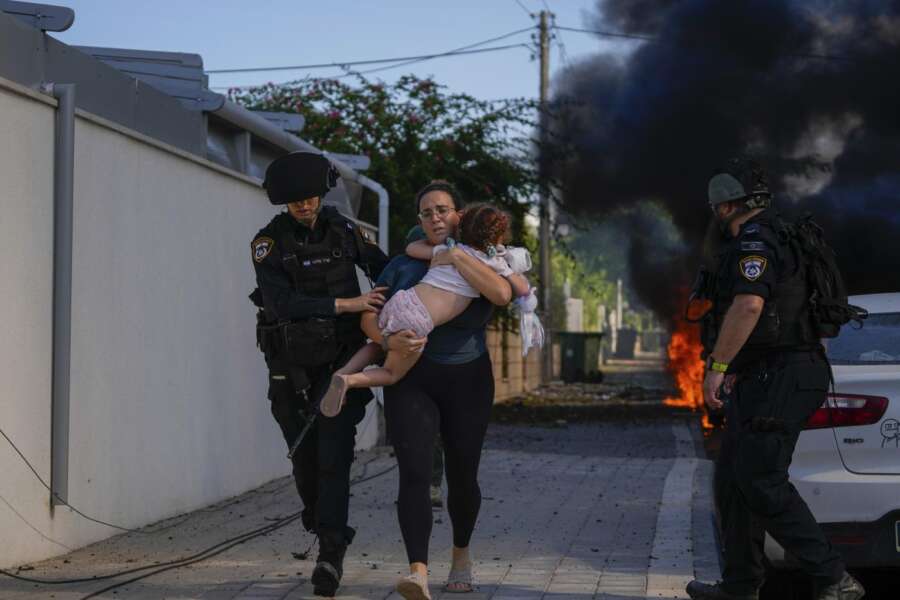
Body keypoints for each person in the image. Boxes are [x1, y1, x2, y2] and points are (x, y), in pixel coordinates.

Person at [685, 158, 865, 600]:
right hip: (768, 373)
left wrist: (718, 367)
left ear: (725, 207)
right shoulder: (783, 235)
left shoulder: (755, 241)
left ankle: (833, 578)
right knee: (733, 480)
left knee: (761, 479)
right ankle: (740, 586)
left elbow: (749, 306)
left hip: (781, 375)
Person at [359, 181, 513, 600]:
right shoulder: (402, 265)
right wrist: (388, 342)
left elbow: (504, 294)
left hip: (469, 379)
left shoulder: (482, 259)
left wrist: (459, 256)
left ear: (459, 214)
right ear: (419, 220)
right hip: (413, 378)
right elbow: (369, 318)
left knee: (463, 476)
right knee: (414, 474)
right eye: (426, 213)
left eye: (442, 210)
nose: (435, 218)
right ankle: (418, 571)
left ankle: (461, 556)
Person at [249, 152, 389, 597]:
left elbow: (385, 269)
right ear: (283, 204)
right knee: (305, 460)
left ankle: (330, 556)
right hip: (290, 369)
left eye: (309, 198)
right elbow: (281, 305)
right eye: (295, 202)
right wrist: (348, 304)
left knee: (334, 460)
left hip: (340, 366)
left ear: (320, 194)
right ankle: (320, 517)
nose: (304, 207)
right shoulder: (267, 244)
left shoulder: (345, 230)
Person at [318, 203, 532, 416]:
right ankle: (350, 381)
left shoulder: (448, 249)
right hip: (418, 320)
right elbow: (521, 289)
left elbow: (411, 248)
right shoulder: (493, 262)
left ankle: (343, 371)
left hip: (403, 300)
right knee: (392, 373)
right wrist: (506, 261)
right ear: (498, 238)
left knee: (379, 344)